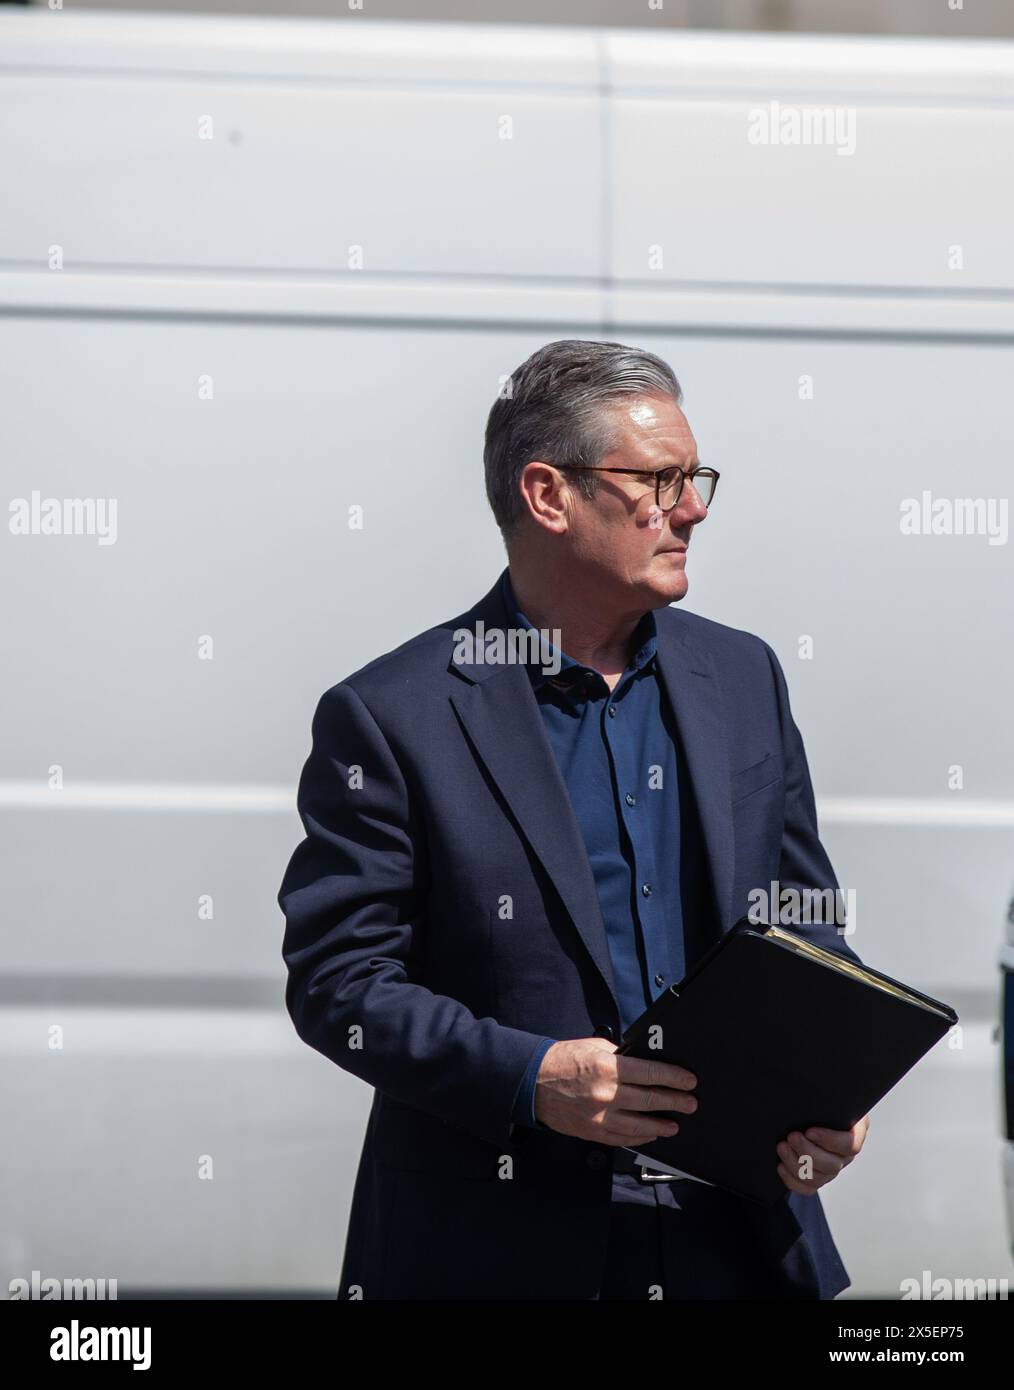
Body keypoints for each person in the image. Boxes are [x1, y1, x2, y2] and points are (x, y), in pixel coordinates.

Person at [278, 338, 868, 1300]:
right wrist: (534, 1076)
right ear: (549, 496)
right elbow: (339, 987)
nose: (695, 507)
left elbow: (802, 921)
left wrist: (828, 1088)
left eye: (697, 476)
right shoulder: (393, 714)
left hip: (744, 1245)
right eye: (660, 479)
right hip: (498, 1254)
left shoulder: (744, 676)